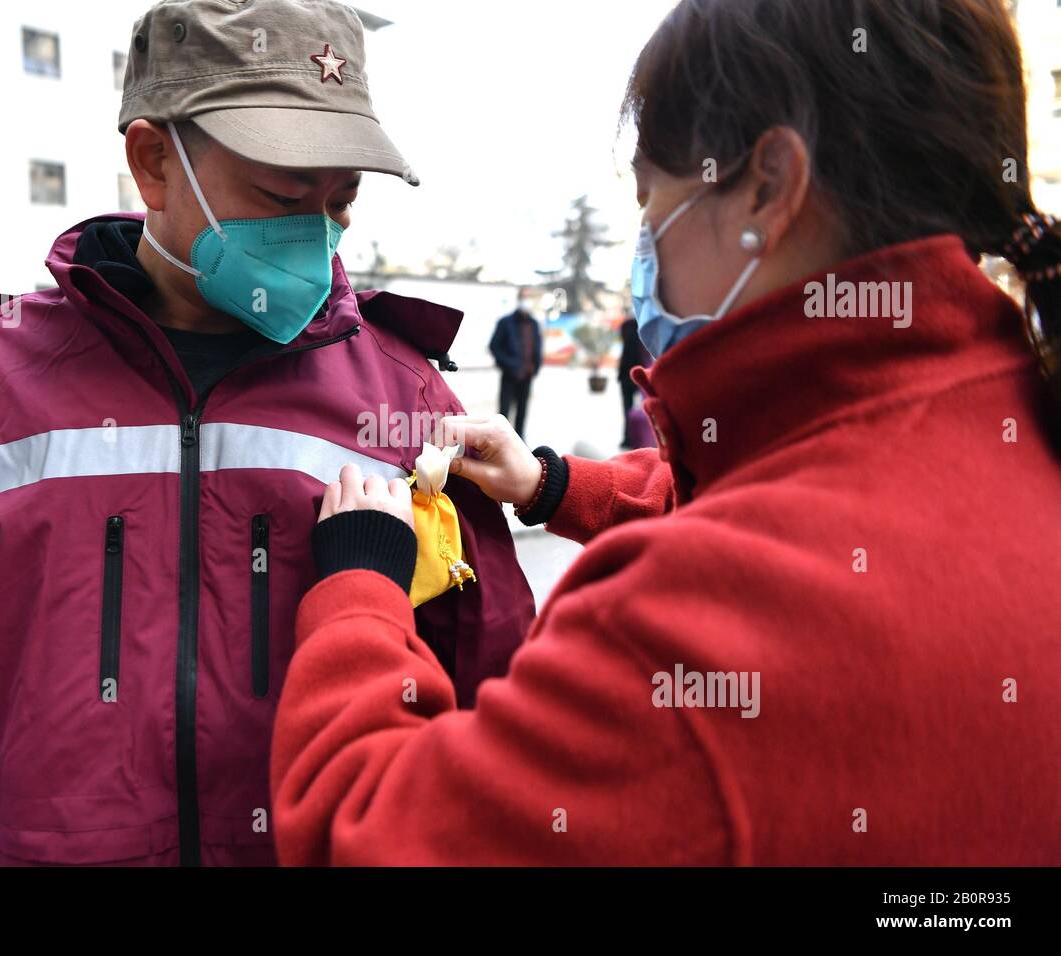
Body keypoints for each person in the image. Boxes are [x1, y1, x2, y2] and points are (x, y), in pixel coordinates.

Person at [268, 0, 1061, 864]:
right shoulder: (1018, 420)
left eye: (653, 203)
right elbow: (799, 500)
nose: (644, 251)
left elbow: (369, 834)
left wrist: (358, 594)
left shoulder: (693, 623)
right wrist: (550, 483)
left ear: (767, 187)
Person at [0, 0, 533, 867]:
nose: (319, 230)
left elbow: (489, 695)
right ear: (153, 162)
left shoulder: (403, 399)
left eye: (342, 199)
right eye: (282, 193)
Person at [488, 295, 543, 439]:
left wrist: (536, 367)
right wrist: (508, 364)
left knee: (522, 412)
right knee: (504, 413)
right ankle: (499, 441)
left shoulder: (534, 324)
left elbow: (537, 346)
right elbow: (494, 346)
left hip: (527, 375)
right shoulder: (506, 322)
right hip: (510, 374)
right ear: (519, 300)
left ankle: (520, 443)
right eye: (525, 297)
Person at [617, 314, 651, 449]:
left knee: (629, 408)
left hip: (631, 373)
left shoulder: (628, 326)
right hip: (634, 373)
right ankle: (632, 437)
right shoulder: (643, 328)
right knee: (633, 408)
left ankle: (630, 437)